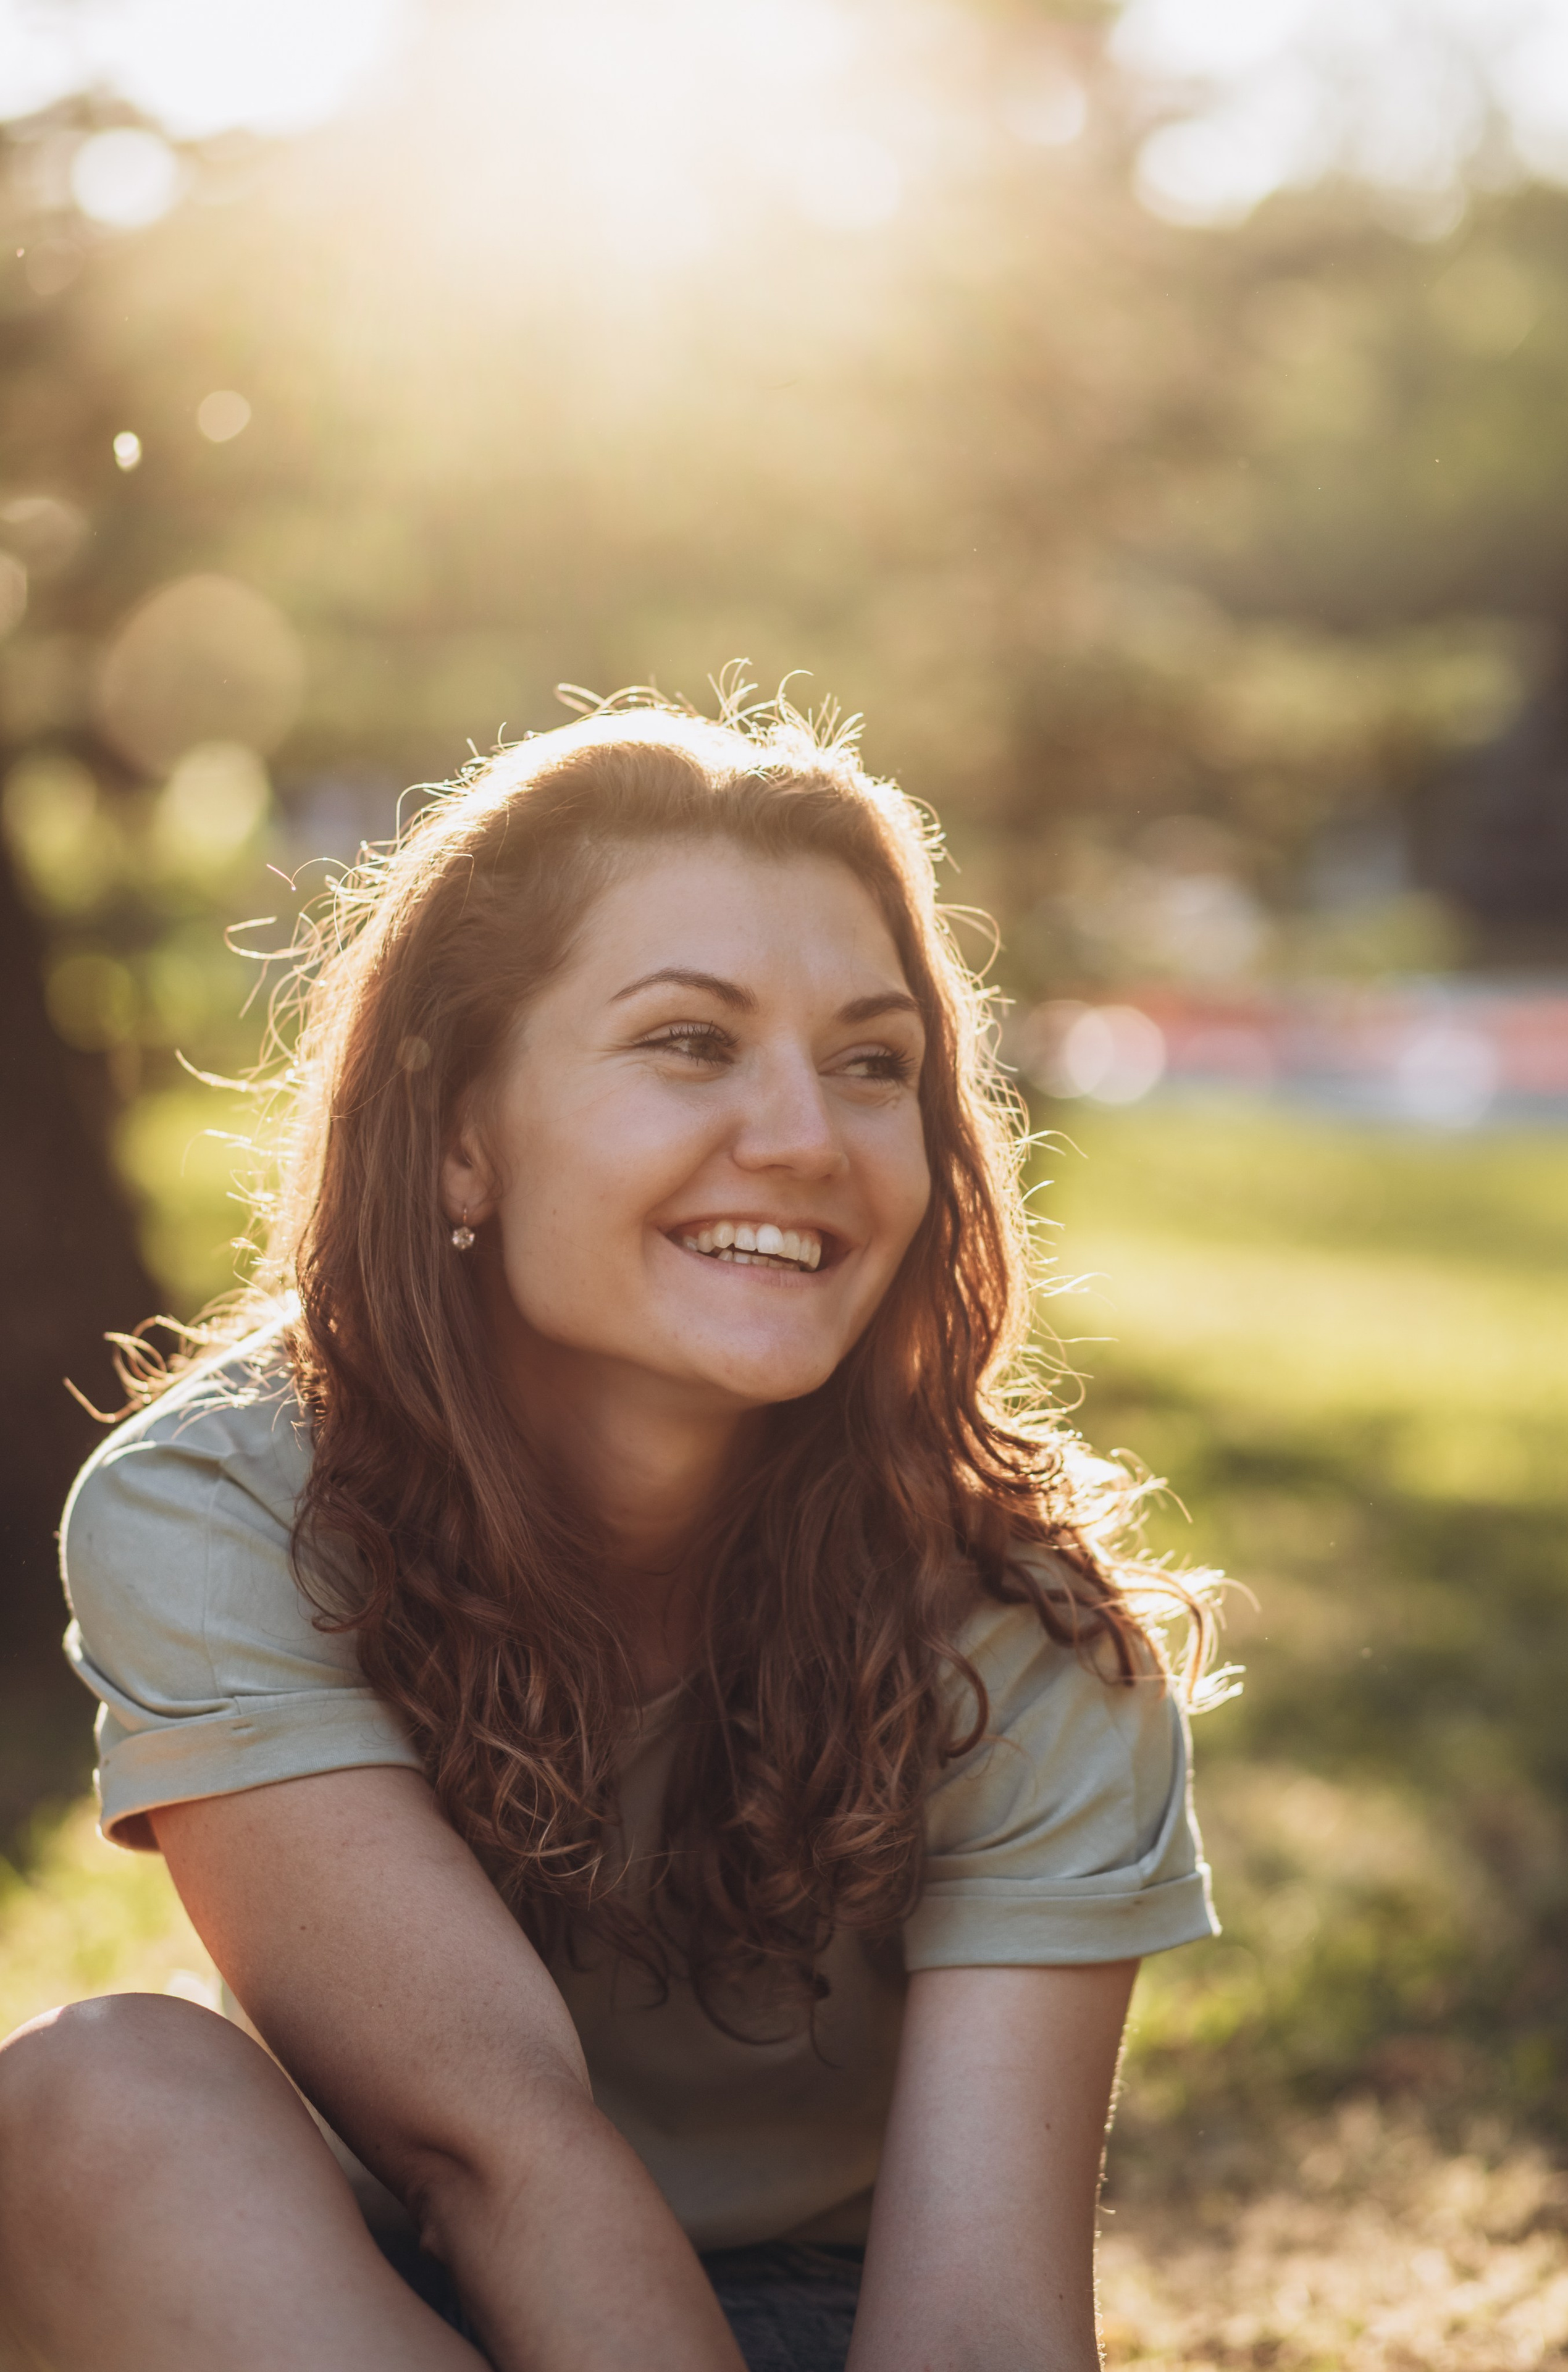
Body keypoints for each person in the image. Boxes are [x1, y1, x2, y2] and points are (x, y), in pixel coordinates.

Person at [0, 695, 1220, 2372]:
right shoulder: (220, 1507)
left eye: (875, 1062)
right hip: (381, 2294)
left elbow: (984, 2329)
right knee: (92, 2102)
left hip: (824, 2319)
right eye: (688, 1042)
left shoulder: (1022, 1621)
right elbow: (488, 2144)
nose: (805, 1138)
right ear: (459, 1128)